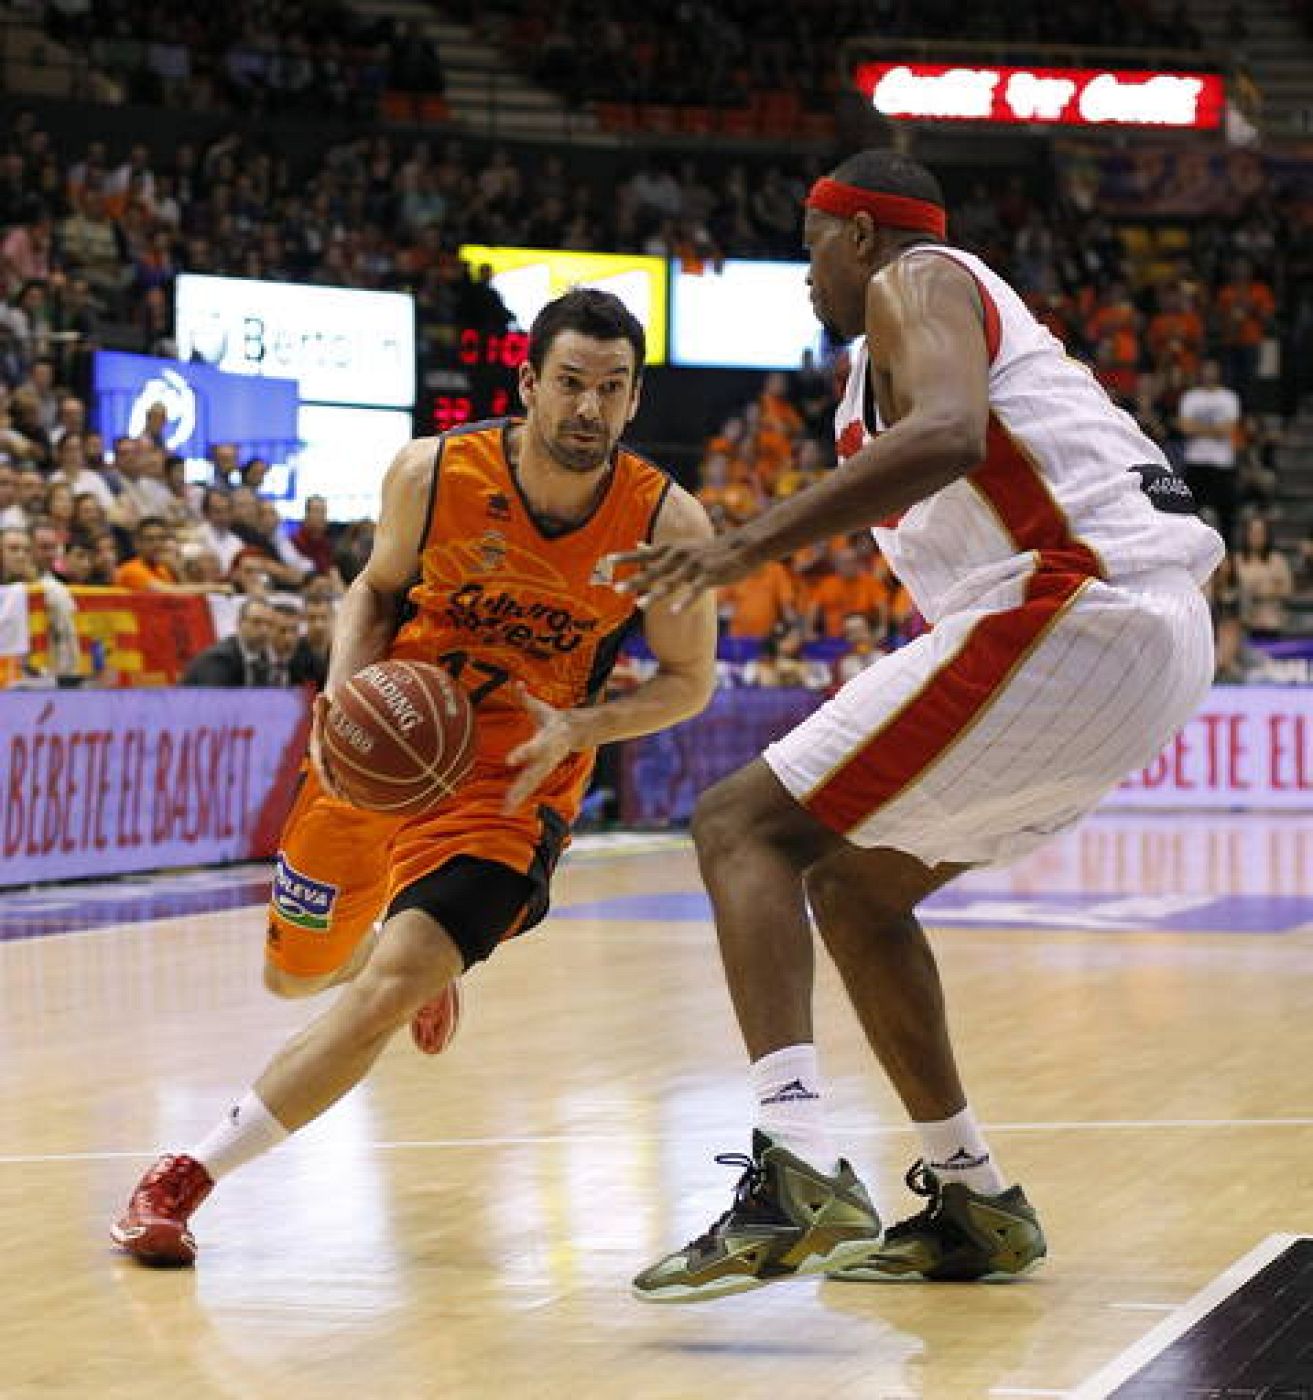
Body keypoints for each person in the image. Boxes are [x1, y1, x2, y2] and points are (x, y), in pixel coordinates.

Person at [619, 150, 1224, 1303]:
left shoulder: (919, 278)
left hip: (1073, 607)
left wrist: (748, 542)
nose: (804, 273)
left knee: (739, 825)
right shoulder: (884, 355)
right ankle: (970, 1197)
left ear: (858, 235)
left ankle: (795, 1162)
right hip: (1132, 633)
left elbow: (949, 432)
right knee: (853, 886)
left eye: (809, 245)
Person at [112, 288, 718, 1266]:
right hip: (383, 745)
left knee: (387, 988)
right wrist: (339, 698)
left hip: (513, 786)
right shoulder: (431, 473)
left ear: (634, 399)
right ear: (527, 383)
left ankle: (183, 1177)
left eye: (611, 388)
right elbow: (376, 590)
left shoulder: (667, 523)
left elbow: (689, 681)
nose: (588, 407)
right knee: (293, 975)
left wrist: (584, 724)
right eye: (570, 382)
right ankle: (405, 949)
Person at [180, 597, 275, 686]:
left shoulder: (264, 658)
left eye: (270, 624)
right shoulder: (219, 659)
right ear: (239, 623)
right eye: (256, 622)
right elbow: (215, 696)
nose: (264, 630)